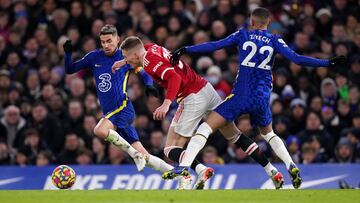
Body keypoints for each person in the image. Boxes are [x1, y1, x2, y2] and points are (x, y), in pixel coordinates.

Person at [169, 7, 346, 189]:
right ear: (268, 22)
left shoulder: (243, 35)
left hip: (240, 95)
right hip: (261, 98)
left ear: (252, 22)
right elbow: (298, 59)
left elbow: (215, 45)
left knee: (206, 128)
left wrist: (186, 49)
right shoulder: (275, 39)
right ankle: (290, 165)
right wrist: (327, 62)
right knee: (269, 134)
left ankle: (184, 166)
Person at [112, 36, 284, 189]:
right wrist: (124, 63)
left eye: (126, 57)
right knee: (235, 136)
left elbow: (174, 78)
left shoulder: (149, 62)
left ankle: (198, 170)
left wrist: (166, 103)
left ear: (135, 55)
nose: (126, 61)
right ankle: (272, 170)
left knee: (170, 148)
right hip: (206, 89)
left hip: (191, 98)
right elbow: (142, 47)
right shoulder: (151, 48)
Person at [63, 25, 179, 186]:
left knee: (100, 130)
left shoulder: (125, 57)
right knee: (145, 155)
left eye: (109, 41)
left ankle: (133, 155)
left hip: (122, 107)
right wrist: (68, 53)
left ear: (118, 40)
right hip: (112, 113)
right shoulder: (94, 57)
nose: (106, 45)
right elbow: (70, 69)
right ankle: (177, 174)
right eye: (103, 41)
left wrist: (149, 85)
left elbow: (143, 72)